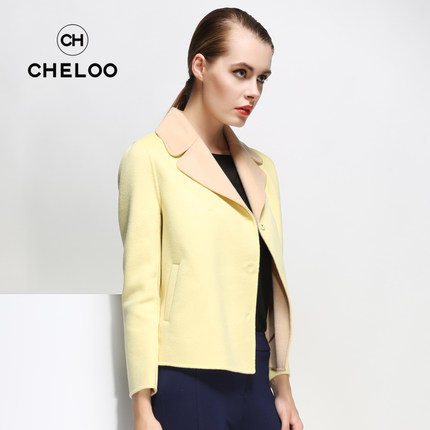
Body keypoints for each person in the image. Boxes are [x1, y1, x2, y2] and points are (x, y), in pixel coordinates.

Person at [118, 7, 303, 430]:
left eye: (262, 78)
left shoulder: (262, 169)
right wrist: (141, 407)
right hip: (186, 376)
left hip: (255, 370)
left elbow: (267, 285)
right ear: (199, 66)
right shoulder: (149, 158)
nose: (253, 91)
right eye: (240, 73)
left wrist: (283, 385)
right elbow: (141, 290)